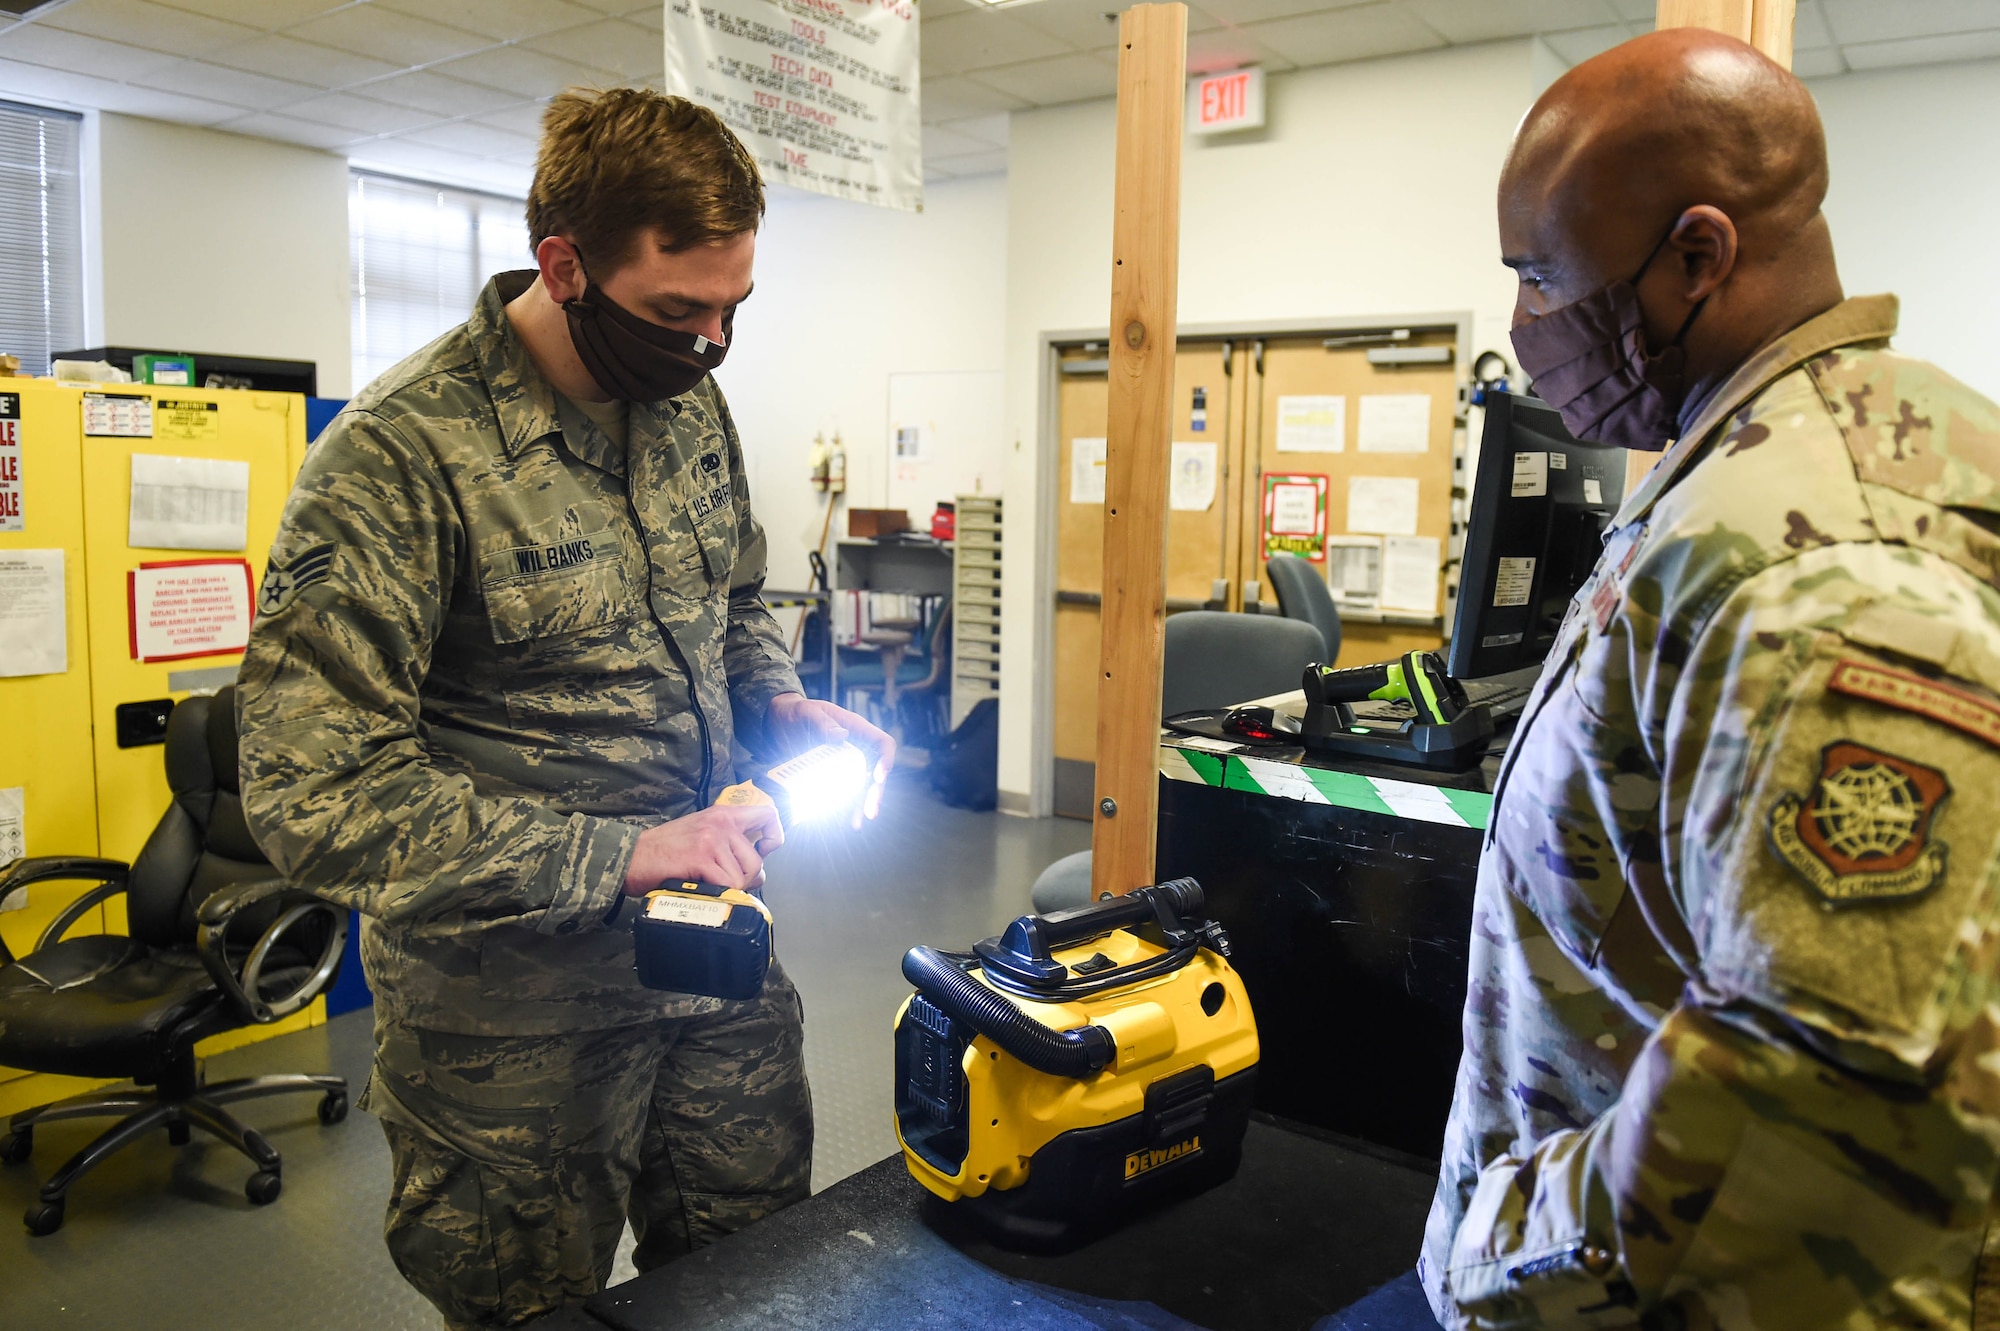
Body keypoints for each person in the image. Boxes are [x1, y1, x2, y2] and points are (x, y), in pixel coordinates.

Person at [236, 88, 892, 1329]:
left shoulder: (689, 405)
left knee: (761, 1286)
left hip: (713, 966)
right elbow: (311, 791)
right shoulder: (399, 456)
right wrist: (619, 852)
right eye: (676, 310)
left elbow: (732, 598)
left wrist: (777, 705)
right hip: (510, 1030)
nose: (708, 343)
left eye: (732, 309)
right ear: (564, 263)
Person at [1422, 28, 2000, 1329]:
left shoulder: (1824, 553)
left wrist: (1495, 1247)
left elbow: (1817, 1097)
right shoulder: (1794, 458)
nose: (1526, 326)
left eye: (1543, 277)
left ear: (1699, 254)